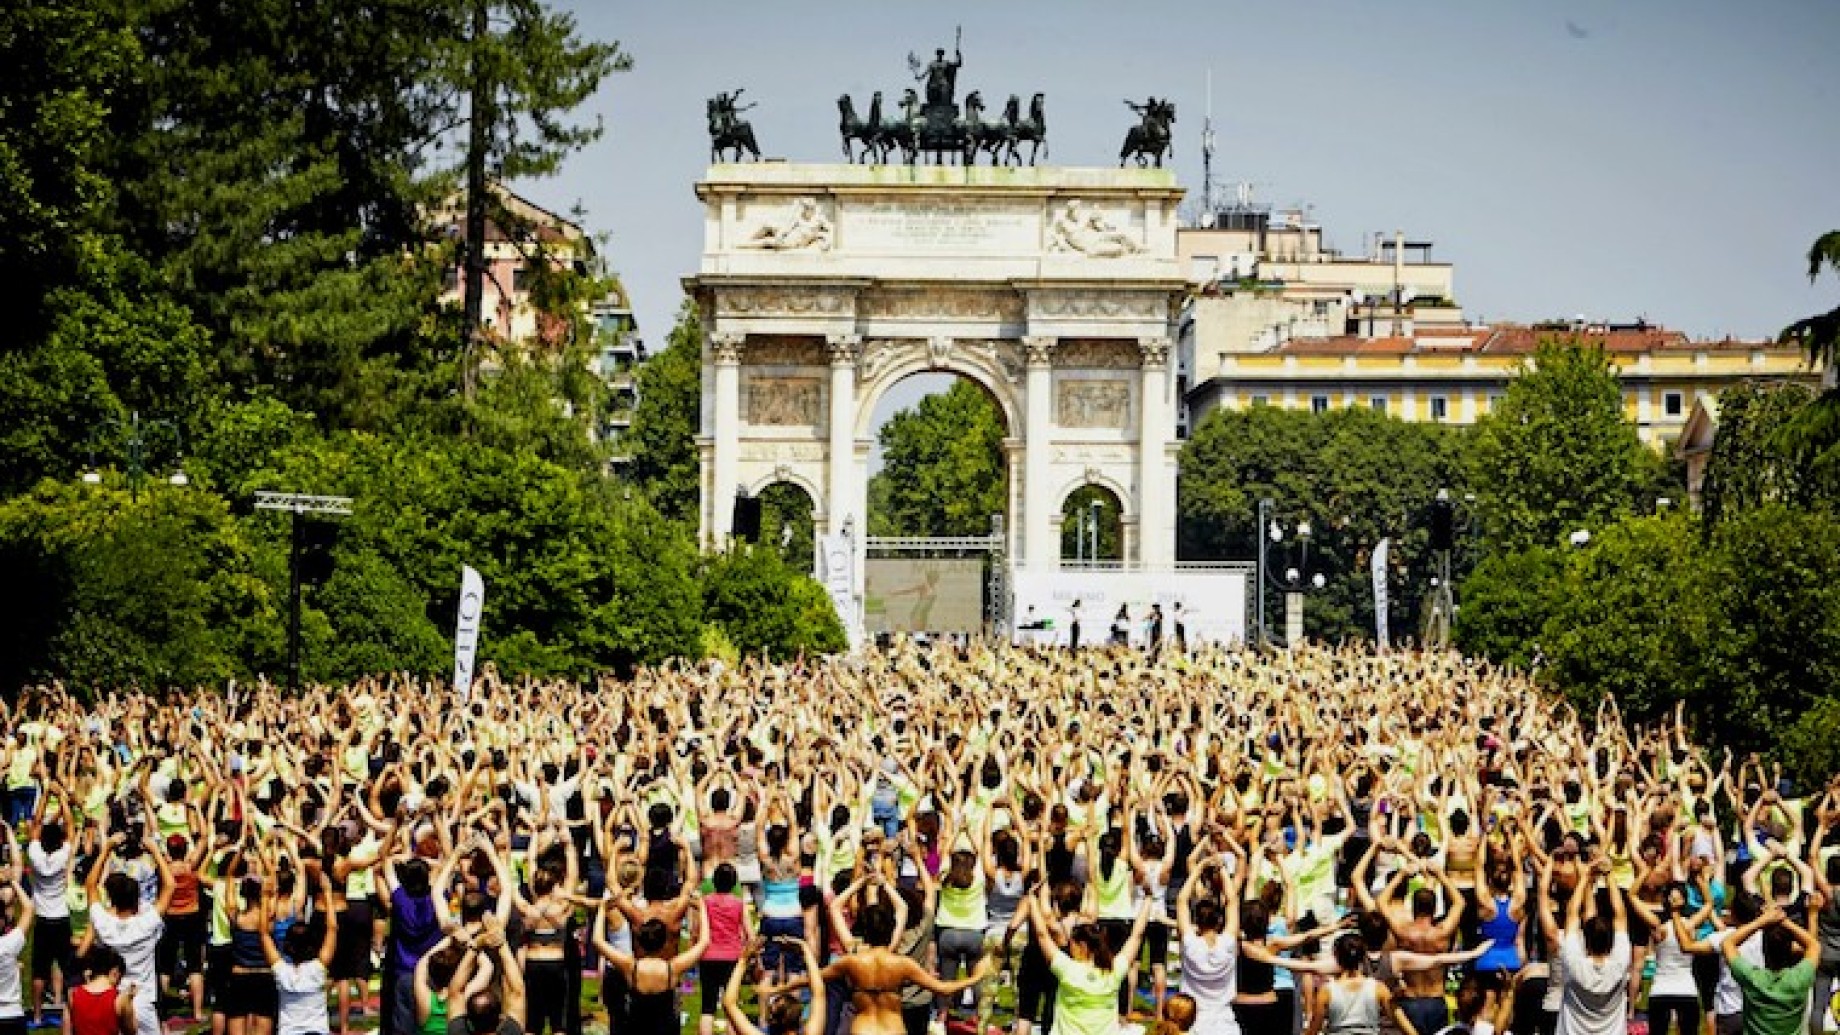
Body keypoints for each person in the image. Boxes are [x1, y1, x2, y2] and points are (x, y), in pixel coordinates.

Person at [77, 833, 171, 1035]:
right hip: (143, 999)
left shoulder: (104, 923)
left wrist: (107, 848)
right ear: (136, 901)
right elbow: (170, 886)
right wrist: (155, 851)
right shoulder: (146, 923)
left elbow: (90, 885)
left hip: (114, 998)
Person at [1555, 857, 1629, 1035]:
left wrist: (1584, 877)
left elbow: (1572, 915)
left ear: (1585, 941)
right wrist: (1609, 875)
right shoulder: (1619, 963)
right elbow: (1620, 916)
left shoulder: (1574, 963)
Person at [1721, 904, 1820, 1035]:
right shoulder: (1800, 978)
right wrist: (1785, 921)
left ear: (1764, 949)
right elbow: (1814, 945)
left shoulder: (1752, 978)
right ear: (1790, 948)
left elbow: (1727, 943)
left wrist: (1761, 921)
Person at [261, 873, 338, 1035]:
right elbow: (332, 929)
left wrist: (265, 897)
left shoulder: (281, 971)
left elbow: (264, 934)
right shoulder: (318, 968)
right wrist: (328, 894)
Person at [1, 824, 37, 1035]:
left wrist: (10, 835)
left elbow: (17, 863)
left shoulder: (5, 891)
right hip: (8, 943)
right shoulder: (8, 891)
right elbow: (17, 865)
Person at [65, 947, 137, 1035]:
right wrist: (130, 999)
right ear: (115, 972)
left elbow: (66, 1030)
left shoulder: (73, 993)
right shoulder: (120, 999)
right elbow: (131, 1031)